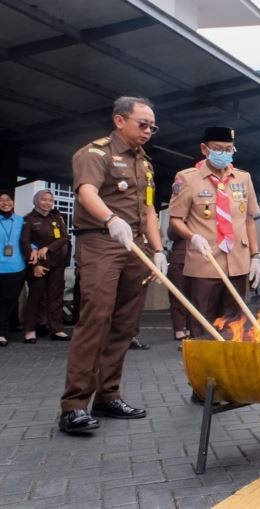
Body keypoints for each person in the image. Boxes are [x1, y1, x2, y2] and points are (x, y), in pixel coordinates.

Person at [59, 96, 167, 434]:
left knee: (125, 324)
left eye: (152, 127)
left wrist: (158, 250)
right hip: (102, 242)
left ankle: (108, 396)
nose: (148, 131)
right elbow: (86, 193)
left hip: (136, 246)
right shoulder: (95, 153)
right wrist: (110, 219)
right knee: (96, 319)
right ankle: (74, 406)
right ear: (120, 120)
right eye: (142, 124)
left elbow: (149, 210)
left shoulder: (144, 163)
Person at [168, 127, 260, 339]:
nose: (224, 153)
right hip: (205, 262)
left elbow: (249, 220)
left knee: (234, 325)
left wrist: (256, 256)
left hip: (237, 262)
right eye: (218, 149)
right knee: (202, 324)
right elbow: (175, 219)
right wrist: (192, 237)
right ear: (205, 149)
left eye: (228, 149)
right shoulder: (188, 178)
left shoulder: (243, 178)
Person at [22, 189, 71, 342]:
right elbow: (25, 243)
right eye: (43, 199)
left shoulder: (56, 217)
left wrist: (47, 248)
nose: (47, 203)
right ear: (36, 201)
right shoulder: (29, 219)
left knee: (55, 297)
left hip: (57, 263)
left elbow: (65, 237)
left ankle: (57, 330)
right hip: (39, 265)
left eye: (50, 200)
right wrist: (35, 265)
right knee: (36, 297)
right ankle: (30, 329)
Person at [0, 190, 27, 348]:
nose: (5, 203)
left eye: (8, 199)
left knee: (8, 301)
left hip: (15, 267)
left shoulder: (21, 220)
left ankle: (2, 333)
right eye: (1, 200)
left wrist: (34, 249)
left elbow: (27, 240)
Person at [166, 227, 190, 341]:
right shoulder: (178, 220)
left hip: (199, 259)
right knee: (178, 296)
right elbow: (172, 234)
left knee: (197, 296)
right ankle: (179, 329)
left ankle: (191, 327)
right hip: (179, 259)